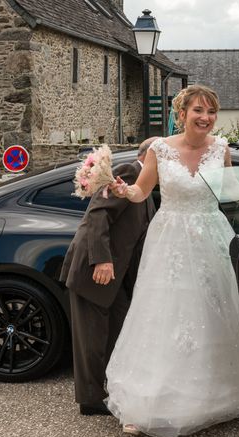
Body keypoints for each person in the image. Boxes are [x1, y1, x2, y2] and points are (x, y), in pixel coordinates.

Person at [106, 85, 239, 437]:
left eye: (212, 112)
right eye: (198, 110)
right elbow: (142, 191)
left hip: (211, 237)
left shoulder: (221, 148)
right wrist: (124, 191)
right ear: (181, 113)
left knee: (215, 311)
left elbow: (229, 187)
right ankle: (148, 402)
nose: (206, 117)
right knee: (167, 314)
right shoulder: (159, 149)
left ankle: (217, 394)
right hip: (170, 240)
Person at [59, 137, 157, 416]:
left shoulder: (144, 185)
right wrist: (101, 260)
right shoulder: (129, 173)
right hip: (95, 270)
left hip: (119, 277)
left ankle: (110, 388)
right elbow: (98, 215)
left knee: (116, 333)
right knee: (91, 338)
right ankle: (90, 400)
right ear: (150, 156)